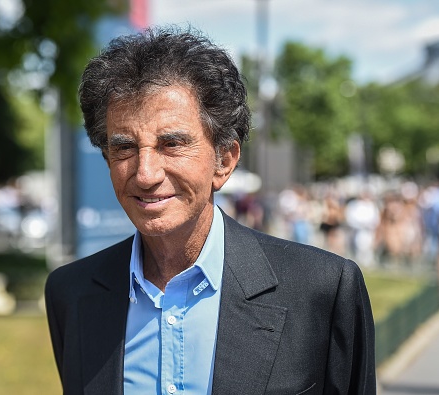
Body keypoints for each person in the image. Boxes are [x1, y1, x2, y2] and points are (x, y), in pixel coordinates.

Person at [45, 26, 376, 395]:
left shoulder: (321, 289)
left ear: (224, 160)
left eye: (172, 144)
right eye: (124, 148)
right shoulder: (70, 294)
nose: (145, 174)